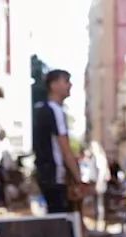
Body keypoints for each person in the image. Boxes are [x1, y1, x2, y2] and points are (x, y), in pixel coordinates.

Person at [33, 69, 85, 214]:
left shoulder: (43, 110)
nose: (70, 85)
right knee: (62, 220)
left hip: (46, 174)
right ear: (54, 85)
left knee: (55, 217)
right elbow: (64, 147)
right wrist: (77, 177)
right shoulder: (55, 110)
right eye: (66, 81)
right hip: (55, 175)